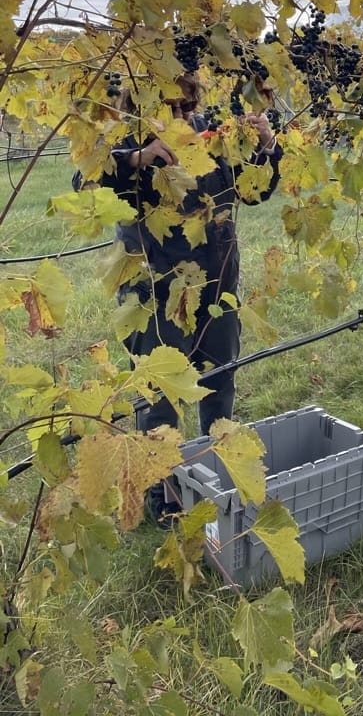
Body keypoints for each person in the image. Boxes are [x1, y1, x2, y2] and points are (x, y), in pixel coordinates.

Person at [84, 73, 283, 519]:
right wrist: (136, 158)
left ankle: (216, 481)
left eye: (187, 107)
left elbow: (258, 190)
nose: (181, 117)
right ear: (141, 104)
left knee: (219, 381)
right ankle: (164, 500)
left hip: (217, 289)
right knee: (159, 395)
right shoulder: (122, 142)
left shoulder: (211, 137)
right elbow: (85, 181)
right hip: (154, 294)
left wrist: (266, 147)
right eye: (169, 108)